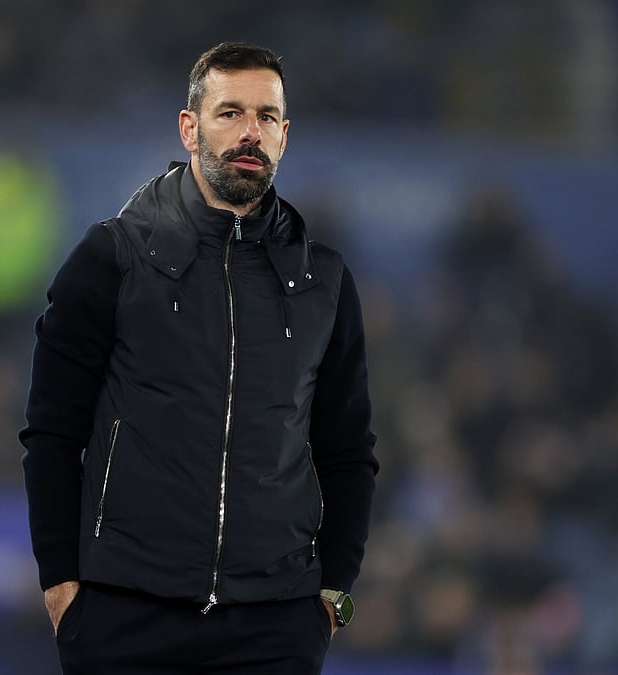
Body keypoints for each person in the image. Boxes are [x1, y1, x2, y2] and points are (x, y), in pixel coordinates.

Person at [20, 41, 379, 674]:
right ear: (190, 127)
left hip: (274, 623)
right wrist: (62, 587)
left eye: (267, 117)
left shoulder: (323, 281)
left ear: (285, 135)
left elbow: (348, 451)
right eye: (230, 113)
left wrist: (331, 596)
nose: (250, 133)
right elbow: (52, 433)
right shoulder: (111, 258)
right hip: (125, 614)